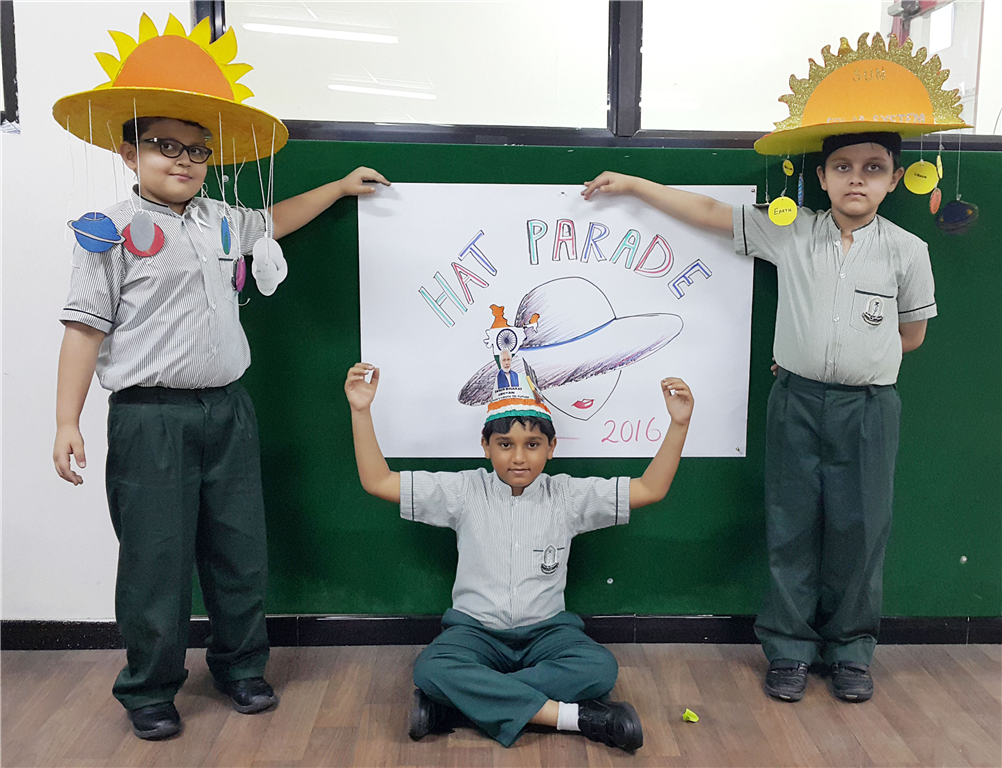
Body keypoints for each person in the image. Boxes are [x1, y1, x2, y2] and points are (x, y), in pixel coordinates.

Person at [51, 14, 390, 741]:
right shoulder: (108, 232)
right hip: (149, 418)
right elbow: (83, 328)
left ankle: (241, 667)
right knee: (155, 560)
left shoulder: (221, 223)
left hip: (229, 411)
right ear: (129, 151)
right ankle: (149, 688)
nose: (184, 160)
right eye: (165, 145)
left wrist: (336, 188)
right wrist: (66, 420)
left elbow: (274, 219)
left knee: (239, 548)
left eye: (197, 150)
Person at [582, 130, 936, 704]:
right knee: (790, 524)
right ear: (821, 177)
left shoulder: (908, 251)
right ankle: (789, 649)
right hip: (796, 401)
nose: (856, 178)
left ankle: (851, 651)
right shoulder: (790, 231)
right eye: (842, 166)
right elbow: (708, 212)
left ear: (895, 179)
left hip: (870, 408)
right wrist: (634, 184)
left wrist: (855, 358)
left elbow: (911, 336)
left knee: (863, 529)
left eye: (873, 168)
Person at [344, 361, 693, 750]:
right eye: (505, 444)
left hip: (548, 633)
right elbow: (378, 481)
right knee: (431, 668)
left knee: (599, 668)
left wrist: (679, 424)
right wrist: (361, 410)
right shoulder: (465, 491)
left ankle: (459, 706)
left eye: (532, 444)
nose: (519, 458)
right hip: (475, 632)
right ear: (485, 445)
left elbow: (650, 488)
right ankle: (573, 718)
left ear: (551, 447)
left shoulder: (567, 496)